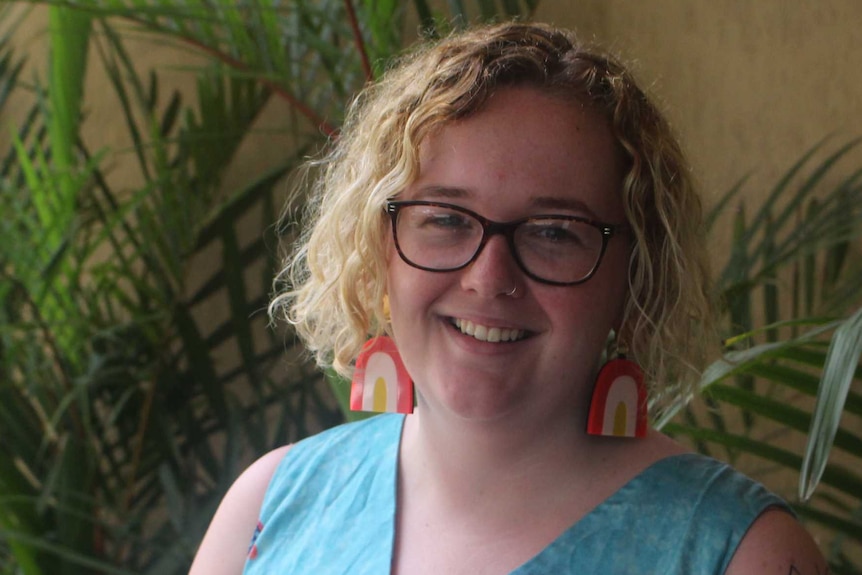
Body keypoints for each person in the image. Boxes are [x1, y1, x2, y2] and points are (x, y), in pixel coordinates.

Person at [190, 22, 827, 575]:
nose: (489, 277)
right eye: (444, 219)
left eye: (554, 232)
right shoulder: (268, 509)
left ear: (636, 277)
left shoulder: (743, 556)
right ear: (377, 248)